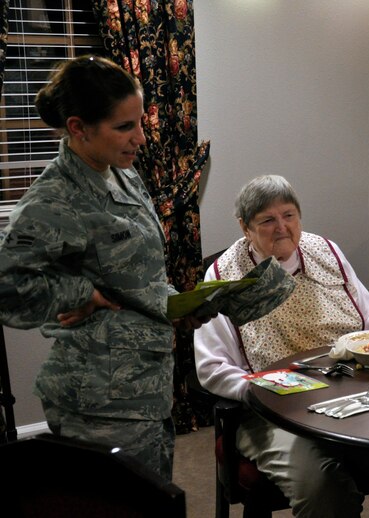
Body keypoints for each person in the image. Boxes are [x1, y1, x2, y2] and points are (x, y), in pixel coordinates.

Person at [0, 55, 210, 480]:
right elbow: (7, 286)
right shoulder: (55, 198)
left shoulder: (123, 175)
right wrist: (80, 294)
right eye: (124, 127)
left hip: (144, 383)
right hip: (99, 398)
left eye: (140, 122)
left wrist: (183, 303)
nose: (140, 138)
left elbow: (134, 276)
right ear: (78, 128)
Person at [194, 175, 369, 518]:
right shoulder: (224, 277)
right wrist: (266, 392)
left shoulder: (328, 252)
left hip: (351, 398)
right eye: (267, 220)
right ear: (245, 228)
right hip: (273, 414)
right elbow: (213, 369)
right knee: (324, 491)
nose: (282, 227)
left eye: (289, 215)